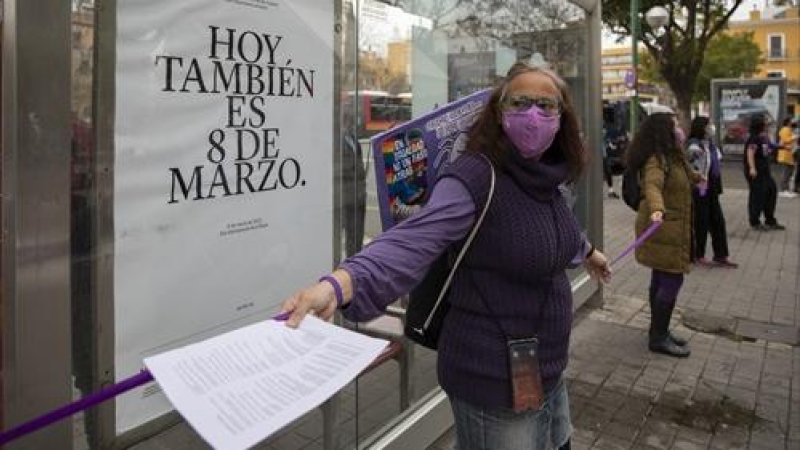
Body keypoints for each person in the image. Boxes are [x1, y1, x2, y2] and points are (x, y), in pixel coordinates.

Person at [279, 62, 611, 450]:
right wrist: (338, 286)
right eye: (519, 102)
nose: (533, 115)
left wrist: (587, 252)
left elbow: (555, 230)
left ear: (562, 117)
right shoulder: (474, 177)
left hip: (547, 372)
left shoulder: (547, 177)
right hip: (490, 378)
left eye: (546, 105)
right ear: (499, 113)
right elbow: (414, 240)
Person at [627, 111, 701, 358]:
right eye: (674, 125)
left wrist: (697, 178)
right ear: (664, 131)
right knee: (671, 279)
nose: (679, 128)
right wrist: (657, 209)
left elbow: (685, 175)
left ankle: (658, 331)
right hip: (663, 227)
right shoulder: (658, 159)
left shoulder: (673, 155)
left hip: (669, 228)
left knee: (661, 278)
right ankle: (658, 337)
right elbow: (652, 185)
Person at [685, 116, 738, 268]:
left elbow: (715, 165)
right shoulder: (694, 143)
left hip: (712, 187)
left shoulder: (711, 145)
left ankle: (721, 255)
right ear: (702, 127)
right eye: (709, 125)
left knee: (718, 221)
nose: (712, 127)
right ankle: (698, 254)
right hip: (699, 187)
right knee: (701, 221)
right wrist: (694, 152)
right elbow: (690, 156)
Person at [744, 114, 785, 231]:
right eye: (765, 122)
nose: (767, 123)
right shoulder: (754, 138)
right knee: (757, 195)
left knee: (771, 191)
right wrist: (752, 168)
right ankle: (755, 221)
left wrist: (781, 147)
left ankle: (770, 219)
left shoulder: (763, 137)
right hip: (756, 172)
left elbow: (769, 147)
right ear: (759, 124)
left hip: (765, 171)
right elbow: (750, 153)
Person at [341, 112, 367, 256]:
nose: (350, 126)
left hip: (359, 193)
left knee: (357, 232)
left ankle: (357, 256)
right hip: (347, 195)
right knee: (350, 231)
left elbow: (359, 164)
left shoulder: (354, 140)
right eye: (348, 122)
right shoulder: (337, 142)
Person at [776, 117, 797, 198]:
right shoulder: (785, 129)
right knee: (787, 172)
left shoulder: (788, 129)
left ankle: (786, 189)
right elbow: (786, 140)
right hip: (785, 153)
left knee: (789, 171)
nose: (792, 122)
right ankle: (783, 190)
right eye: (791, 121)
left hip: (788, 153)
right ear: (788, 122)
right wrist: (795, 137)